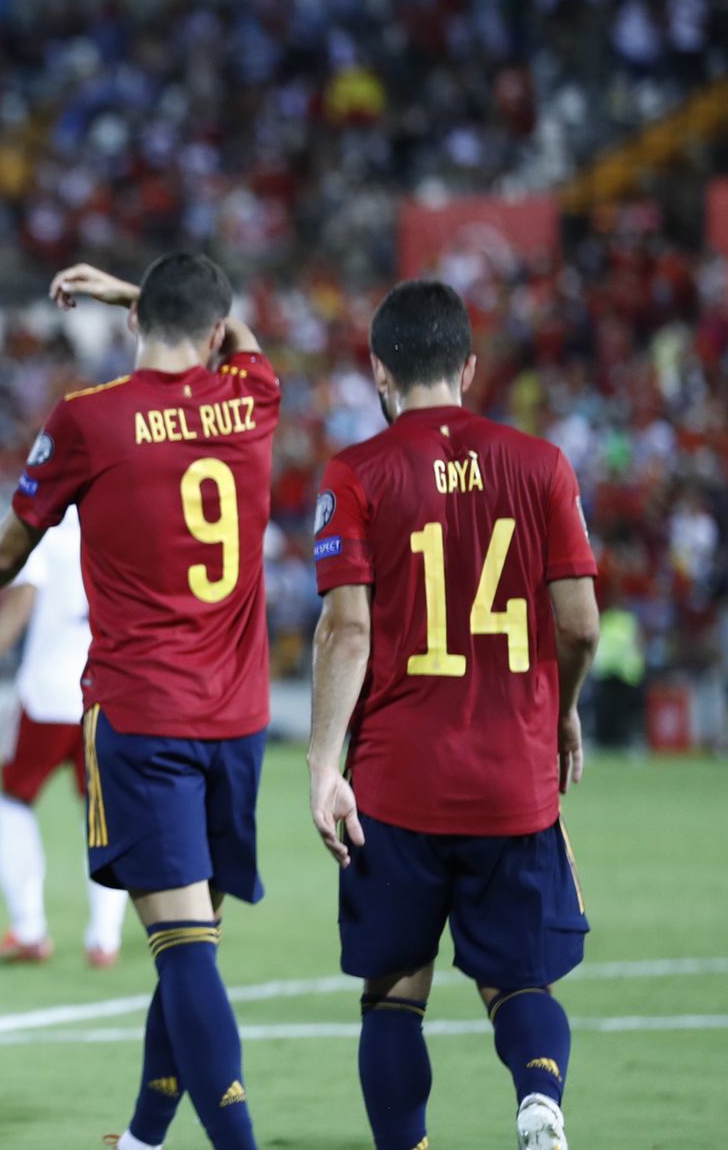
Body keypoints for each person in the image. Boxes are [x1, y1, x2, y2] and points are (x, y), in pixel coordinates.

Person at [0, 257, 278, 1150]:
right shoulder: (252, 398)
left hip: (144, 714)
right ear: (212, 333)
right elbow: (240, 337)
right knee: (192, 942)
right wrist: (144, 291)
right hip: (241, 719)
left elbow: (13, 542)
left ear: (137, 328)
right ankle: (141, 1139)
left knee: (184, 951)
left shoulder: (90, 418)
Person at [306, 279, 600, 1150]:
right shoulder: (542, 463)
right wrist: (565, 712)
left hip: (398, 785)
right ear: (469, 367)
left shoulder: (355, 472)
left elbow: (346, 627)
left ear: (378, 371)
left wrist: (325, 763)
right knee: (520, 983)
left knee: (393, 991)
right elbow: (579, 622)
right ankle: (539, 1100)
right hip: (514, 780)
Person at [0, 509, 129, 968]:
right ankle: (105, 938)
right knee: (103, 813)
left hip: (48, 695)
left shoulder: (51, 525)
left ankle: (28, 929)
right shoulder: (124, 519)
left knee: (12, 803)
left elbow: (21, 604)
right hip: (109, 694)